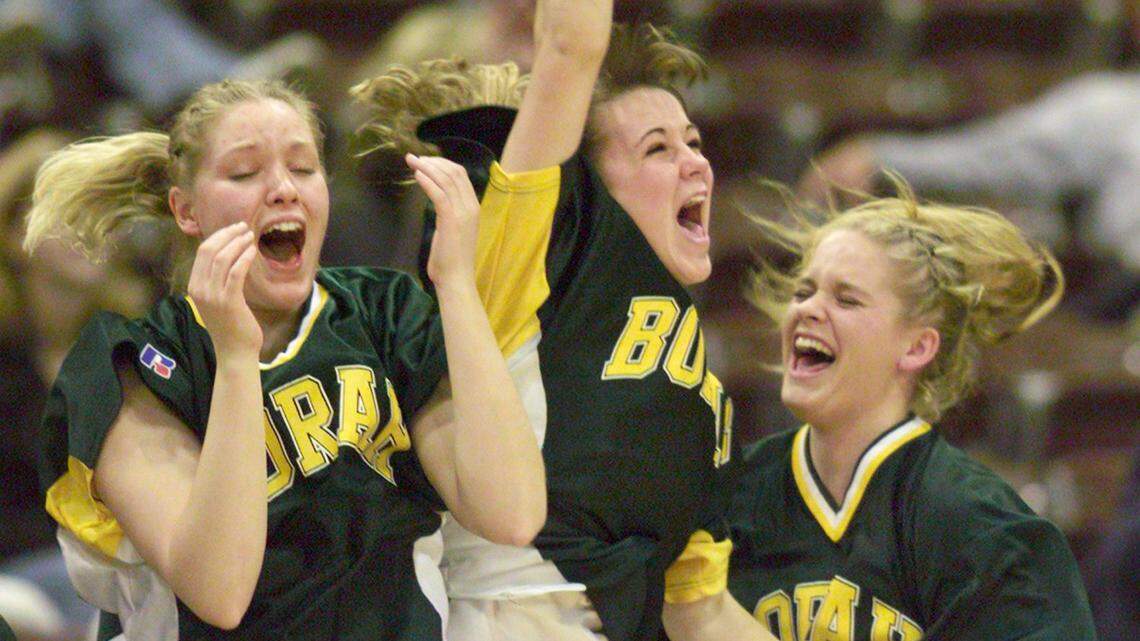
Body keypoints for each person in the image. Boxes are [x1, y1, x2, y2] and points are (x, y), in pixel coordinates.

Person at [24, 78, 545, 640]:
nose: (282, 190)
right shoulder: (137, 363)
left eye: (303, 168)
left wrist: (457, 285)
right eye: (244, 173)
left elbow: (510, 514)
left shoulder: (384, 314)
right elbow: (219, 593)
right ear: (186, 210)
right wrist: (236, 357)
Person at [352, 2, 774, 640]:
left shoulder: (694, 383)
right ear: (586, 193)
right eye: (657, 149)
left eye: (693, 140)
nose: (695, 163)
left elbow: (698, 606)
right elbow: (572, 47)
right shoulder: (524, 266)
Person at [725, 180, 1098, 640]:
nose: (808, 310)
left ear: (918, 346)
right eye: (804, 292)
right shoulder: (728, 493)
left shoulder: (980, 527)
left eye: (846, 299)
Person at [796, 71, 1140, 322]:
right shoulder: (1114, 109)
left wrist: (882, 157)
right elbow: (1001, 159)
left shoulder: (1111, 109)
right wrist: (880, 158)